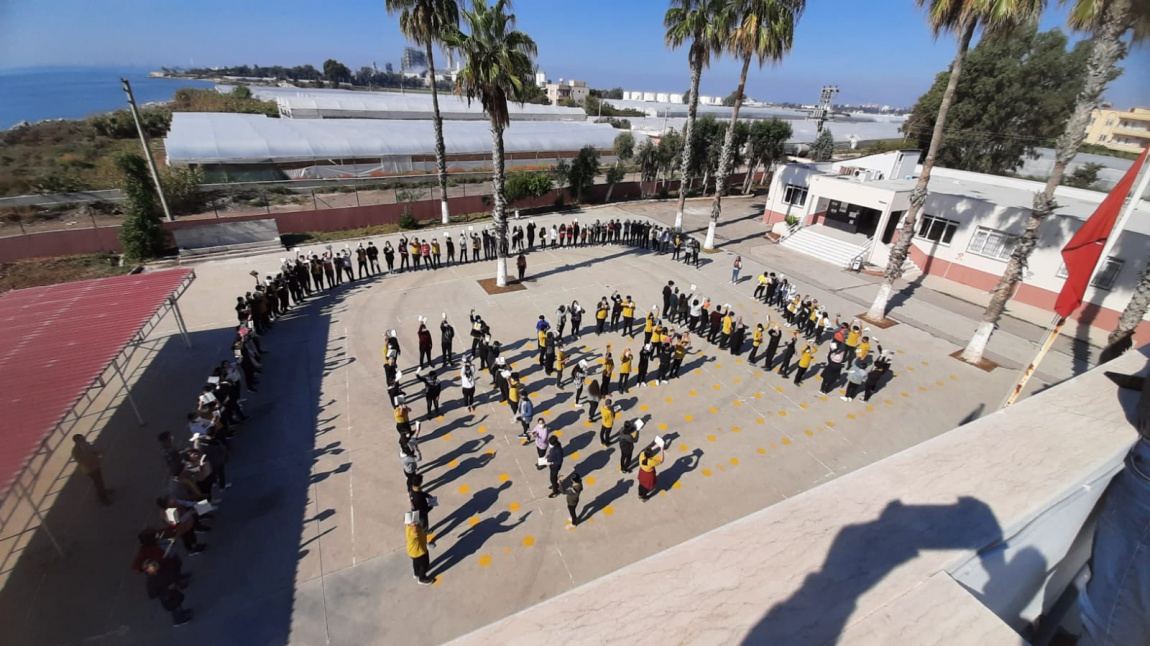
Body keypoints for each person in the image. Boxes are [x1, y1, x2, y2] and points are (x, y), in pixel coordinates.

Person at [142, 558, 193, 626]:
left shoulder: (159, 571)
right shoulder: (150, 581)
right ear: (148, 570)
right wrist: (166, 589)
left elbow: (167, 577)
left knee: (178, 603)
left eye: (153, 564)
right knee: (174, 608)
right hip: (167, 597)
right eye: (151, 566)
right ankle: (178, 620)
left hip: (172, 592)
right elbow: (152, 595)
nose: (154, 566)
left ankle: (181, 612)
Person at [71, 435, 110, 505]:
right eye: (82, 439)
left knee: (100, 481)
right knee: (98, 483)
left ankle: (103, 491)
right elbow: (81, 460)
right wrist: (88, 452)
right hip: (89, 469)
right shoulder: (75, 451)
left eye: (83, 438)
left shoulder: (87, 444)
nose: (84, 439)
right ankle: (103, 498)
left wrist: (98, 453)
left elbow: (94, 450)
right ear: (77, 441)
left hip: (95, 465)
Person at [405, 514, 435, 585]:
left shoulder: (408, 527)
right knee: (424, 564)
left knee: (416, 563)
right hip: (419, 552)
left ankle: (417, 573)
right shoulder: (413, 531)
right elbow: (416, 533)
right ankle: (422, 578)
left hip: (412, 551)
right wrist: (415, 525)